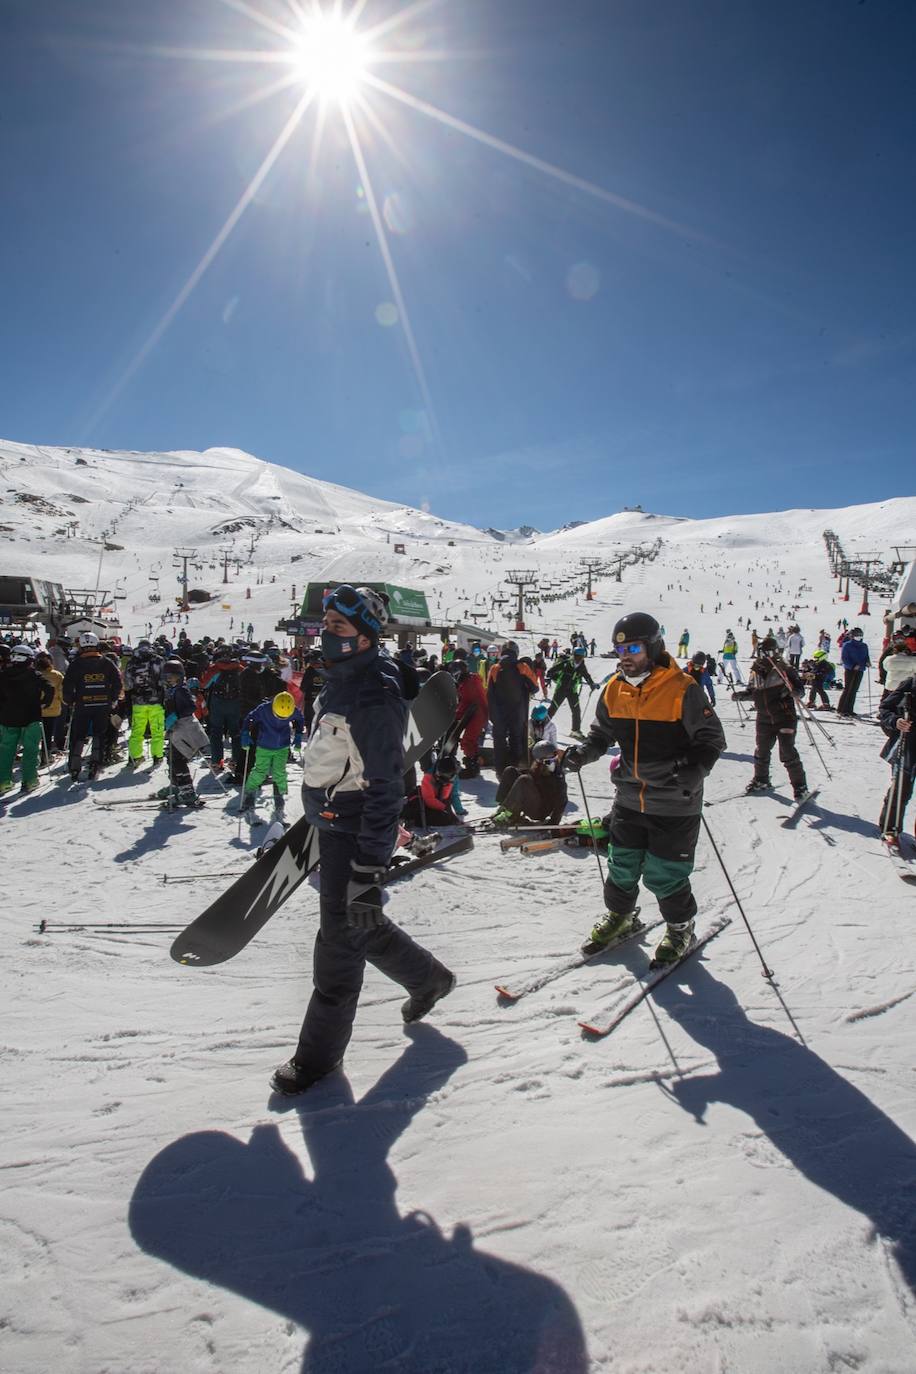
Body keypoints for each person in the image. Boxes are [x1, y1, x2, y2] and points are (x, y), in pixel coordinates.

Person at [272, 584, 455, 1096]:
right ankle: (428, 979)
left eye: (338, 626)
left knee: (336, 950)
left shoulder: (374, 694)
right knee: (356, 923)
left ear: (366, 635)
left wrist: (370, 870)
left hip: (354, 831)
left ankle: (317, 1059)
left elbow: (385, 791)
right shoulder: (341, 678)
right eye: (326, 623)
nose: (326, 633)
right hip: (330, 823)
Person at [563, 612, 725, 965]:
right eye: (620, 648)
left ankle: (681, 926)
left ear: (652, 647)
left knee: (664, 874)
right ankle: (621, 916)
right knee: (620, 866)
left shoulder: (683, 689)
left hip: (673, 802)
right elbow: (600, 736)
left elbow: (711, 738)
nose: (625, 655)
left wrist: (695, 769)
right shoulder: (613, 689)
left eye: (633, 647)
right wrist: (583, 754)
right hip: (628, 798)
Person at [733, 636, 809, 800]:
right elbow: (753, 692)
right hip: (764, 718)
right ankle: (761, 779)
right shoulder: (756, 669)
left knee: (787, 751)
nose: (766, 655)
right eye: (763, 652)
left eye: (769, 652)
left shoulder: (784, 668)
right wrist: (742, 695)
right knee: (762, 750)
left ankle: (800, 787)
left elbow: (800, 688)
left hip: (784, 716)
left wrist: (795, 692)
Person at [62, 631, 122, 782]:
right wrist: (113, 699)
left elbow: (67, 685)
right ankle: (95, 764)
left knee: (78, 735)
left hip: (83, 704)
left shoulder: (76, 664)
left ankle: (75, 766)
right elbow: (117, 681)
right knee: (99, 734)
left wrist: (70, 700)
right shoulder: (107, 662)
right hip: (102, 704)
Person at [239, 691, 304, 821]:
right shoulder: (264, 709)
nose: (281, 718)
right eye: (278, 716)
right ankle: (249, 794)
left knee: (279, 773)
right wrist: (245, 733)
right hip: (264, 746)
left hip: (282, 747)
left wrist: (298, 735)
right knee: (260, 771)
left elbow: (300, 719)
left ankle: (279, 800)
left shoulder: (292, 710)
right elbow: (249, 718)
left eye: (285, 718)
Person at [0, 645, 54, 795]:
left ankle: (3, 782)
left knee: (6, 751)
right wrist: (46, 703)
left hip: (8, 718)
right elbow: (50, 688)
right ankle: (30, 781)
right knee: (30, 750)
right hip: (31, 718)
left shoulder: (3, 674)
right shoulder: (34, 675)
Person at [155, 659, 203, 806]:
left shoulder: (181, 690)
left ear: (180, 676)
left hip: (185, 730)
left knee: (177, 759)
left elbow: (190, 707)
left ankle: (187, 790)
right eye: (166, 676)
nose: (169, 679)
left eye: (172, 676)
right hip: (177, 730)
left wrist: (175, 715)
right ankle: (176, 785)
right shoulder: (173, 689)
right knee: (170, 758)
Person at [486, 642, 537, 775]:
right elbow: (535, 687)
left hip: (499, 712)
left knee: (499, 740)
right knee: (516, 738)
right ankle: (514, 769)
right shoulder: (522, 666)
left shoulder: (494, 668)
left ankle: (500, 769)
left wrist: (492, 715)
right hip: (518, 711)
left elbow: (489, 693)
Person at [492, 740, 568, 827]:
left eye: (554, 758)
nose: (552, 762)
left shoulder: (558, 775)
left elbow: (562, 800)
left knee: (524, 780)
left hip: (540, 810)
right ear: (539, 760)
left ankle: (508, 814)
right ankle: (504, 809)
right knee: (510, 771)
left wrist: (554, 823)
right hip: (533, 799)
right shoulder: (537, 766)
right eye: (548, 760)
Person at [877, 674, 914, 842]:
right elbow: (885, 708)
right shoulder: (911, 683)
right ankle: (890, 828)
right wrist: (895, 721)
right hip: (909, 743)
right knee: (901, 786)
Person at [200, 646, 246, 778]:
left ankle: (217, 761)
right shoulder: (239, 668)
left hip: (218, 703)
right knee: (235, 732)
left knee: (216, 731)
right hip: (235, 703)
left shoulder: (215, 668)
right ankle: (236, 760)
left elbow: (204, 684)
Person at [124, 639, 165, 770]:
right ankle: (157, 756)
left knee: (137, 730)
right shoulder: (158, 660)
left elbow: (128, 684)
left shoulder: (132, 662)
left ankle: (135, 757)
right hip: (156, 701)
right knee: (157, 730)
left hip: (138, 701)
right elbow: (164, 679)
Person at [403, 753, 467, 827]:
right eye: (445, 774)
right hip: (424, 801)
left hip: (440, 800)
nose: (447, 777)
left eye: (449, 775)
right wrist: (444, 808)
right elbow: (429, 799)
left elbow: (454, 795)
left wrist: (459, 811)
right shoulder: (429, 777)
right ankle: (414, 820)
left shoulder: (453, 777)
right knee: (442, 818)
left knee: (447, 818)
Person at [546, 646, 596, 737]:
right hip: (561, 689)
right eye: (577, 656)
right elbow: (551, 670)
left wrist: (591, 684)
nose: (578, 659)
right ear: (573, 655)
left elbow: (586, 676)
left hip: (572, 691)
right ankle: (542, 726)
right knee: (553, 709)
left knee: (576, 710)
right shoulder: (566, 663)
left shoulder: (581, 666)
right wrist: (549, 677)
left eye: (581, 657)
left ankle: (575, 730)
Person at [451, 658, 488, 778]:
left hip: (477, 714)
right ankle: (474, 762)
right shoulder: (469, 681)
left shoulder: (469, 684)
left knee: (468, 741)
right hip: (476, 713)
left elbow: (467, 702)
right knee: (470, 741)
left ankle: (472, 768)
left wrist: (456, 715)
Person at [34, 650, 64, 759]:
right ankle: (45, 755)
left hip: (35, 710)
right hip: (52, 709)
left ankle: (33, 755)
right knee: (47, 734)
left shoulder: (33, 675)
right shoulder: (57, 675)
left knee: (35, 734)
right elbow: (61, 692)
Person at [836, 627, 871, 717]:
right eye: (857, 635)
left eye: (860, 635)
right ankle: (842, 708)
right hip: (850, 670)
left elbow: (866, 656)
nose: (859, 637)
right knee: (848, 688)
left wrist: (867, 662)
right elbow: (844, 658)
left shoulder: (864, 646)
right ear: (852, 636)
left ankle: (850, 709)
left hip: (860, 669)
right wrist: (852, 666)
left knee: (854, 690)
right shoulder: (847, 645)